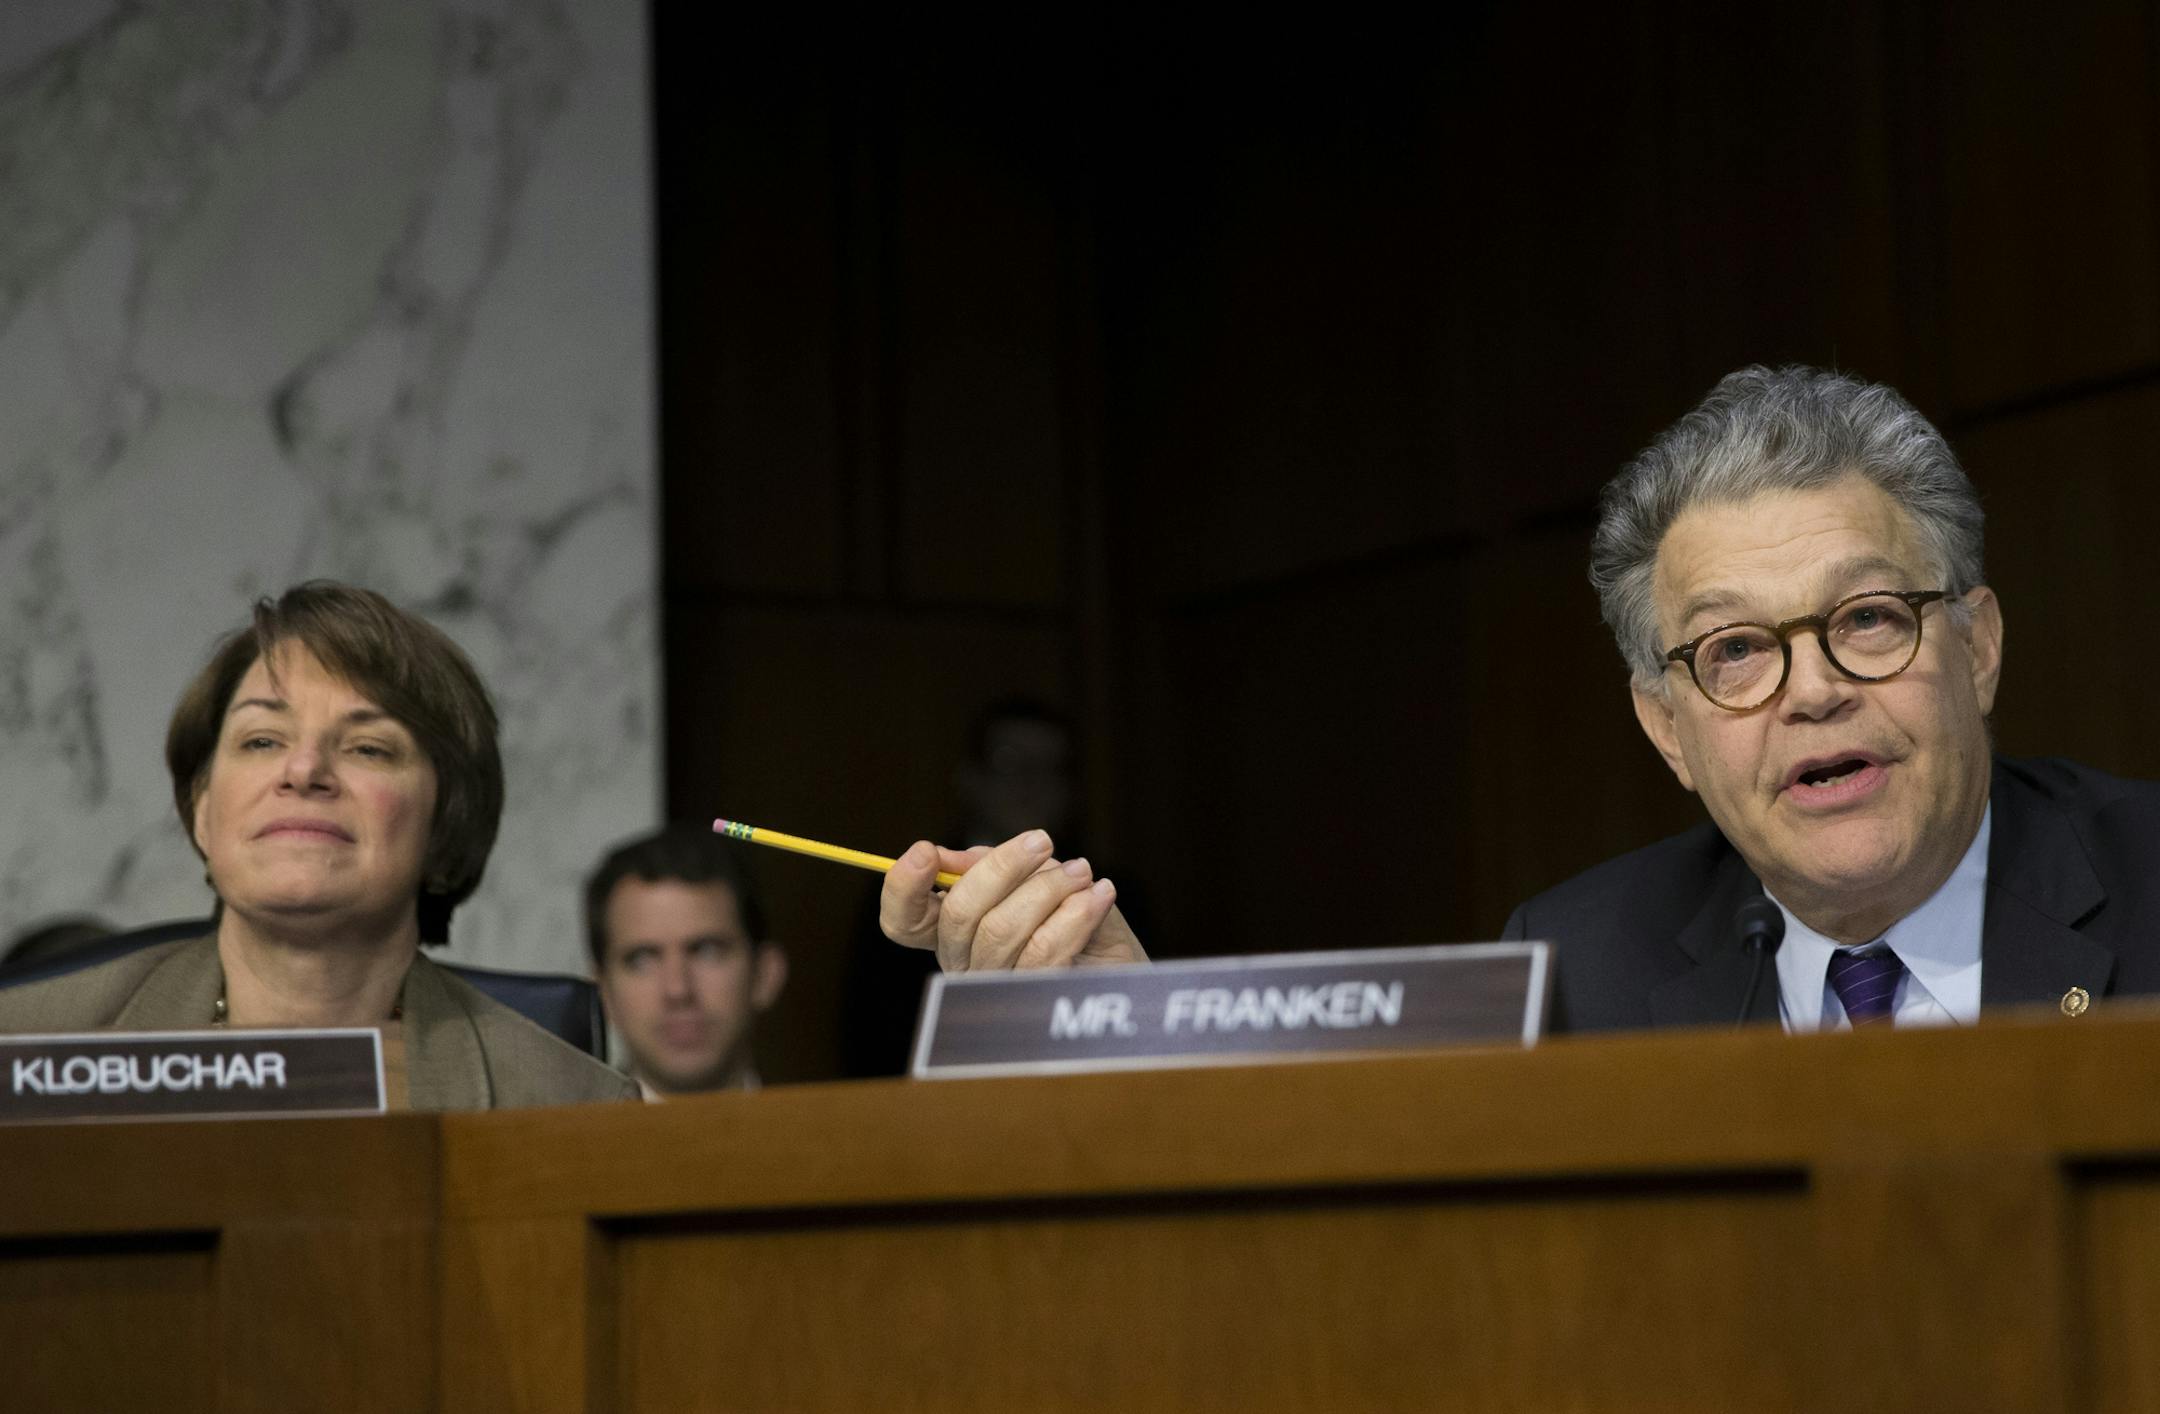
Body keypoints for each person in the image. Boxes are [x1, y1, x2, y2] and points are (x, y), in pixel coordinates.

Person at [881, 365, 2160, 1034]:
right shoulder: (1576, 966)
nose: (1815, 690)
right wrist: (1125, 1015)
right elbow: (1378, 1258)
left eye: (1869, 620)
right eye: (1732, 653)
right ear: (1667, 728)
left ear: (1978, 645)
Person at [0, 581, 638, 1108]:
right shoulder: (21, 1046)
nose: (303, 770)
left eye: (368, 748)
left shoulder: (571, 1102)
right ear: (202, 813)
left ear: (446, 825)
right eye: (262, 741)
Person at [585, 826, 785, 1097]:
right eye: (641, 959)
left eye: (706, 951)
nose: (678, 990)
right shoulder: (549, 1139)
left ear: (765, 974)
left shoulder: (833, 1135)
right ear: (603, 992)